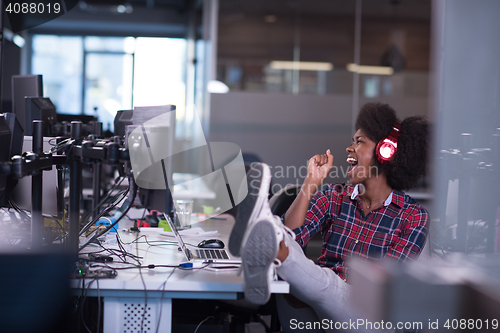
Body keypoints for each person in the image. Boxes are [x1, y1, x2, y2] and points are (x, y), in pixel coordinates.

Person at [236, 102, 429, 332]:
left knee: (324, 285)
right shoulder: (333, 196)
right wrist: (311, 182)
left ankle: (276, 253)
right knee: (287, 240)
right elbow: (295, 235)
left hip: (367, 312)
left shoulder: (414, 217)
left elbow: (385, 287)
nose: (349, 148)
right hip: (313, 301)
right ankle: (275, 246)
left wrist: (311, 286)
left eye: (360, 142)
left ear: (385, 152)